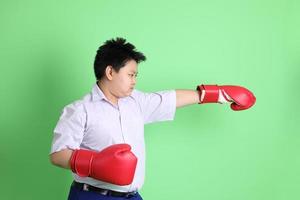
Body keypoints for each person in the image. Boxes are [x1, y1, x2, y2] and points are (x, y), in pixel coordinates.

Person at [49, 37, 256, 200]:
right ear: (110, 72)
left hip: (131, 196)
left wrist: (219, 93)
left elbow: (169, 99)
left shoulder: (136, 102)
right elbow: (58, 154)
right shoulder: (80, 110)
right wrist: (96, 164)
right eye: (131, 75)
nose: (134, 81)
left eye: (136, 75)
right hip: (91, 196)